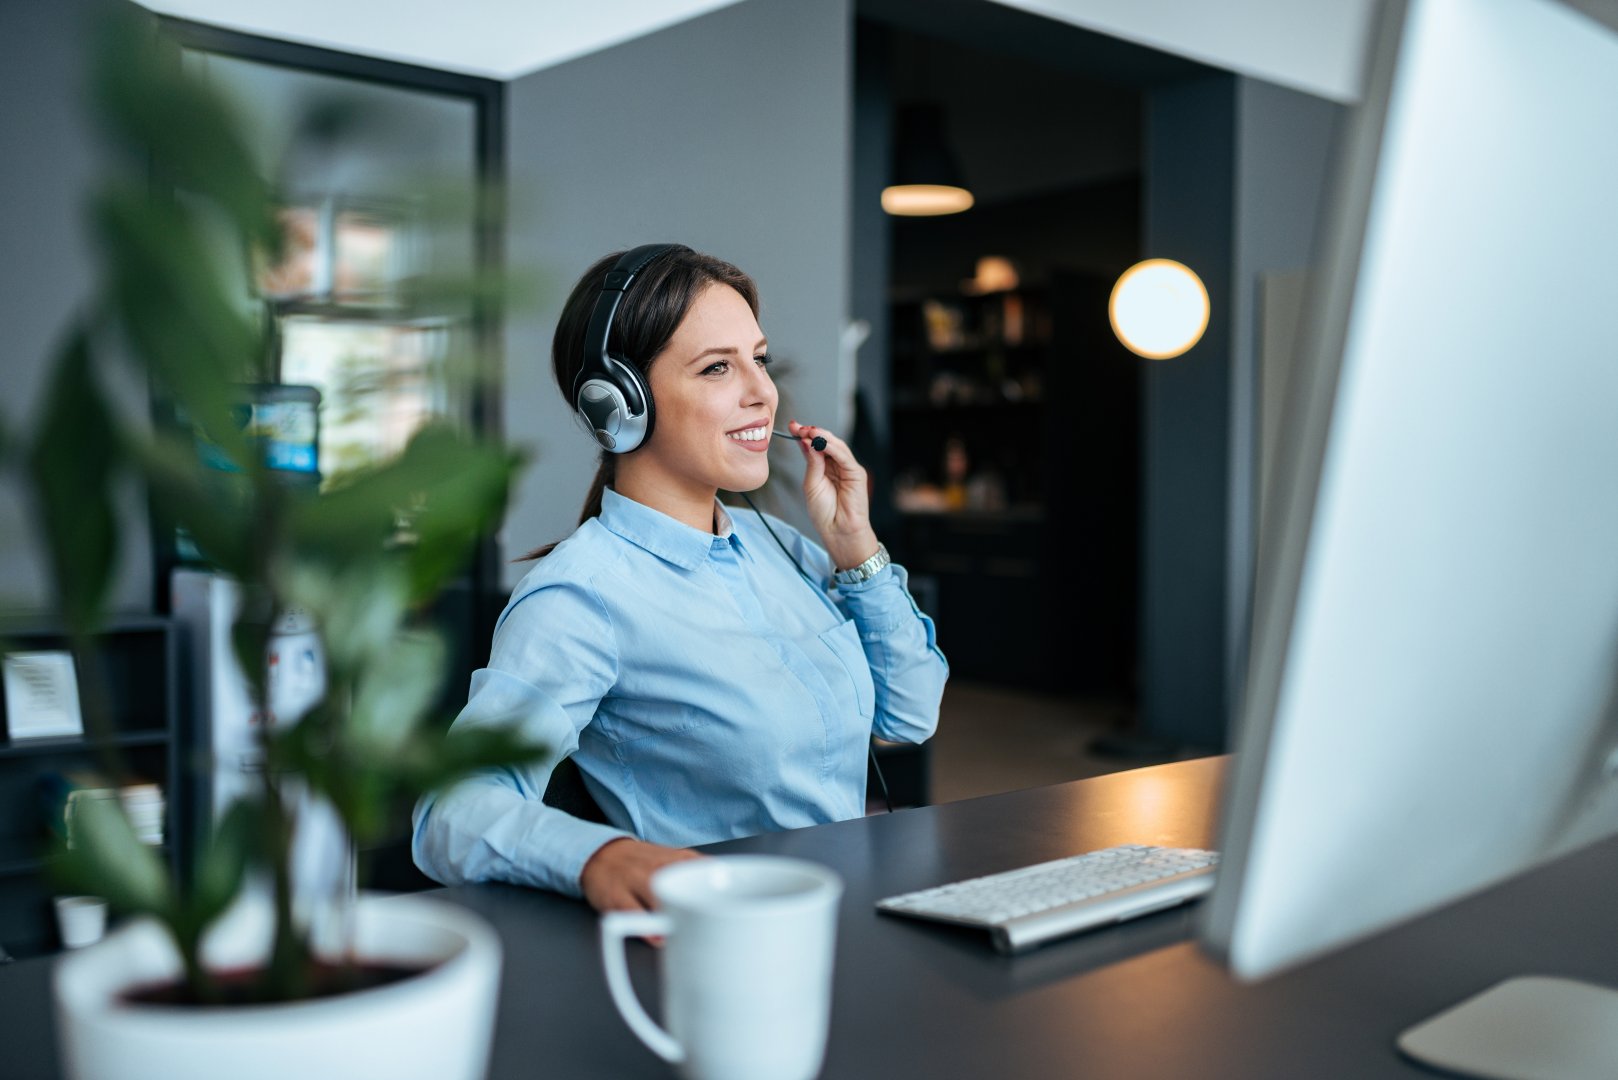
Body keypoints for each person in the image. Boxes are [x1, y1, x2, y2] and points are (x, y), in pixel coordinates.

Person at [412, 244, 948, 912]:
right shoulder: (582, 597)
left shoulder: (777, 546)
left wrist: (855, 549)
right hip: (731, 938)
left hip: (850, 913)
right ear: (619, 404)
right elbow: (450, 813)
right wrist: (597, 857)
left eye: (760, 358)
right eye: (717, 367)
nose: (762, 393)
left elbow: (912, 715)